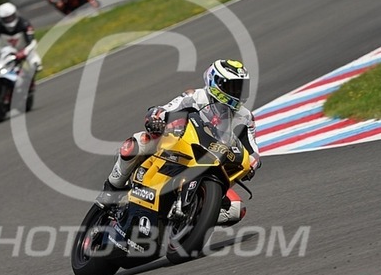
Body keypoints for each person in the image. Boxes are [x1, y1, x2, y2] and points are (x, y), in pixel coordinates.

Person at [96, 59, 261, 227]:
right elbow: (163, 110)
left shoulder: (245, 117)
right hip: (178, 146)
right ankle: (111, 189)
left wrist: (252, 164)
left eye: (242, 87)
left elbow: (252, 150)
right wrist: (155, 119)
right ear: (215, 82)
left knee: (236, 209)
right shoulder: (194, 97)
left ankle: (191, 223)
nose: (238, 92)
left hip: (212, 164)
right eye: (233, 87)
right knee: (138, 143)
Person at [0, 2, 43, 90]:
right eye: (6, 19)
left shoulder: (24, 23)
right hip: (6, 52)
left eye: (10, 17)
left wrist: (24, 52)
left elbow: (32, 41)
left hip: (24, 49)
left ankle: (29, 82)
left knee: (36, 64)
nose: (9, 20)